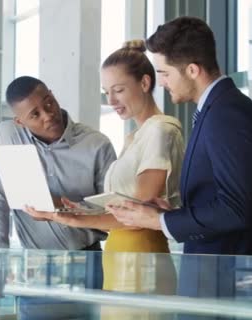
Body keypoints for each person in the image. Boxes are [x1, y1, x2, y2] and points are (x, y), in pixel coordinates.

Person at [25, 40, 184, 297]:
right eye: (106, 91)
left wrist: (72, 219)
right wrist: (81, 209)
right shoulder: (135, 137)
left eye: (118, 90)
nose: (111, 100)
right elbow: (123, 207)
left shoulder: (160, 130)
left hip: (141, 259)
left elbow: (138, 214)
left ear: (145, 83)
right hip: (119, 256)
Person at [109, 16, 252, 257]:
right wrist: (170, 214)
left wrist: (159, 222)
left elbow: (235, 210)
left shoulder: (227, 113)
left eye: (164, 73)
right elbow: (216, 199)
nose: (161, 82)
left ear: (193, 70)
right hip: (216, 274)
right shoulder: (216, 110)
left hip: (225, 279)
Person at [0, 76, 117, 319]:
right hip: (36, 264)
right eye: (35, 114)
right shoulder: (6, 137)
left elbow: (112, 211)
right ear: (19, 121)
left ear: (52, 94)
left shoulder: (96, 144)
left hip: (87, 261)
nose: (47, 115)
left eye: (49, 103)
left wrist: (63, 209)